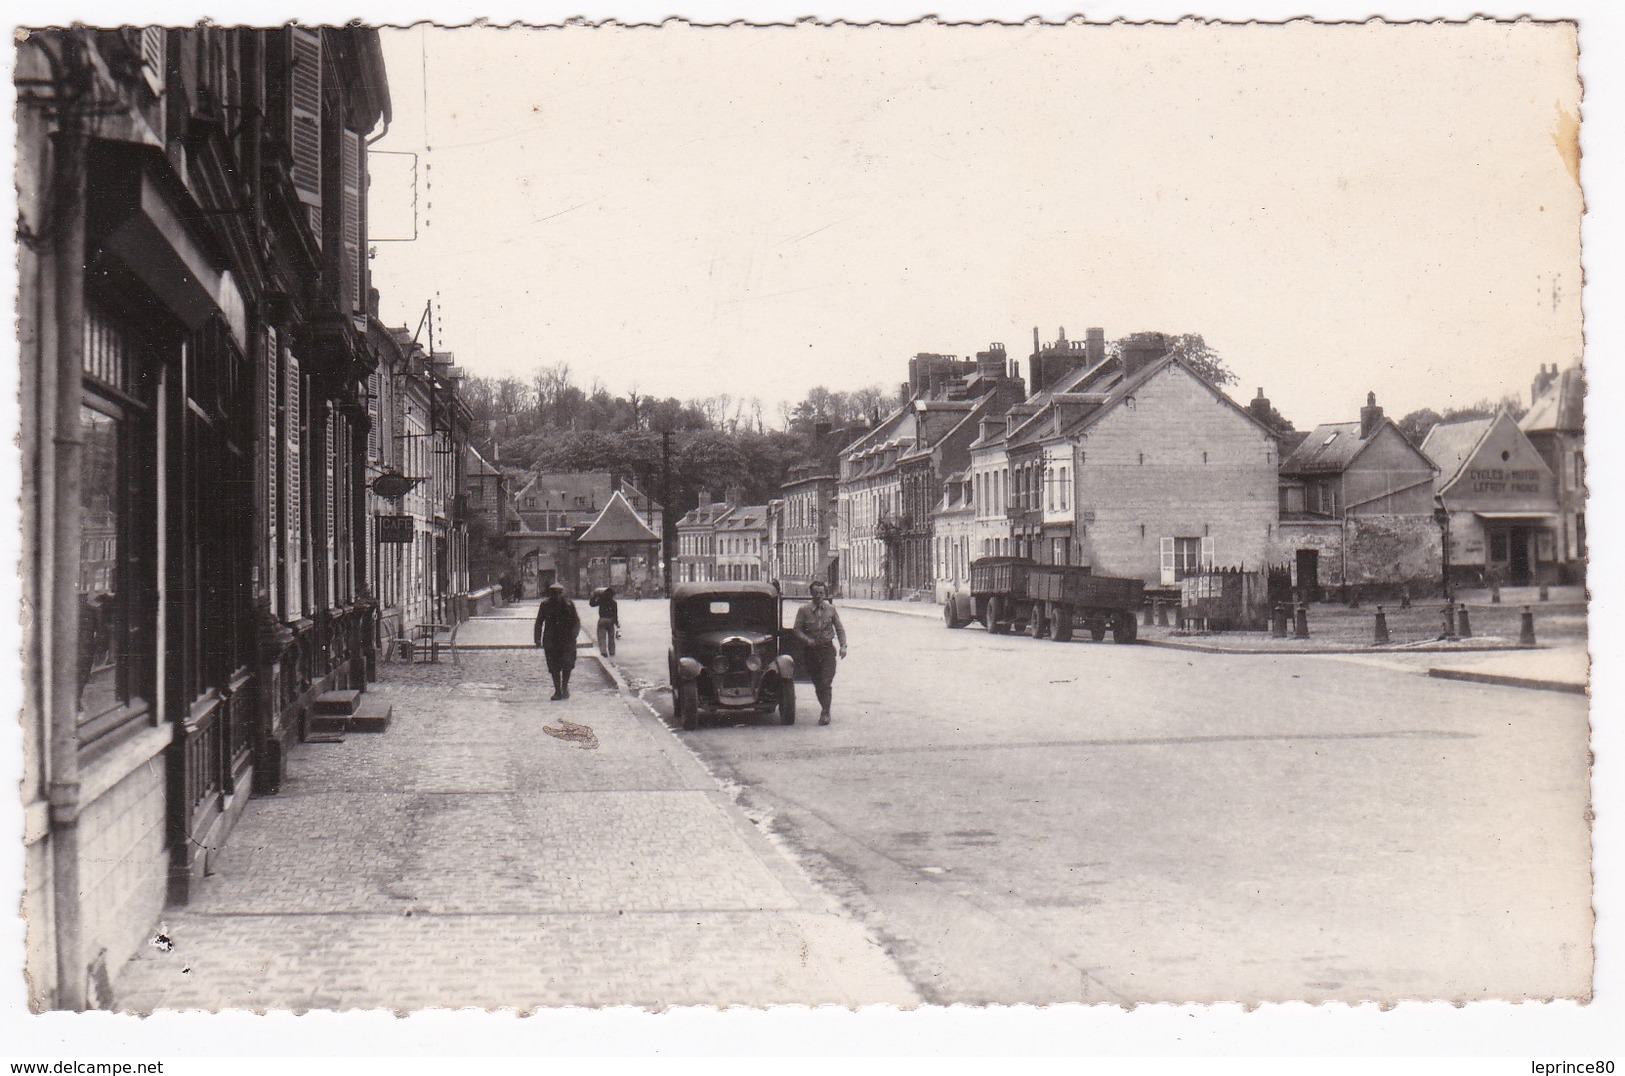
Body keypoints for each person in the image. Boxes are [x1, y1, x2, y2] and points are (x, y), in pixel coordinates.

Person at [792, 580, 847, 725]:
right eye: (816, 593)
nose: (819, 596)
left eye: (822, 593)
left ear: (825, 593)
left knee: (826, 681)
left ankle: (825, 713)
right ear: (811, 594)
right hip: (811, 652)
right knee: (818, 683)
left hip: (827, 650)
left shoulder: (831, 610)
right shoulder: (804, 611)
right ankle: (825, 708)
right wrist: (807, 640)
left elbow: (839, 628)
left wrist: (843, 646)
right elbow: (796, 630)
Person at [533, 581, 581, 700]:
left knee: (567, 664)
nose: (556, 596)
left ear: (562, 593)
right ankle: (557, 691)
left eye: (558, 593)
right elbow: (539, 622)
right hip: (551, 640)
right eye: (554, 593)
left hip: (567, 640)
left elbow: (576, 621)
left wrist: (574, 634)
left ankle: (564, 687)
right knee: (553, 667)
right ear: (550, 593)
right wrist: (537, 639)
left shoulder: (569, 605)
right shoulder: (545, 605)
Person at [590, 585, 620, 657]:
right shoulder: (614, 603)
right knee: (611, 637)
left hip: (602, 620)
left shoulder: (601, 600)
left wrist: (594, 597)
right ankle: (612, 652)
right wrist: (617, 623)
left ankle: (603, 651)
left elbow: (592, 604)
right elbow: (615, 614)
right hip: (611, 621)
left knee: (601, 637)